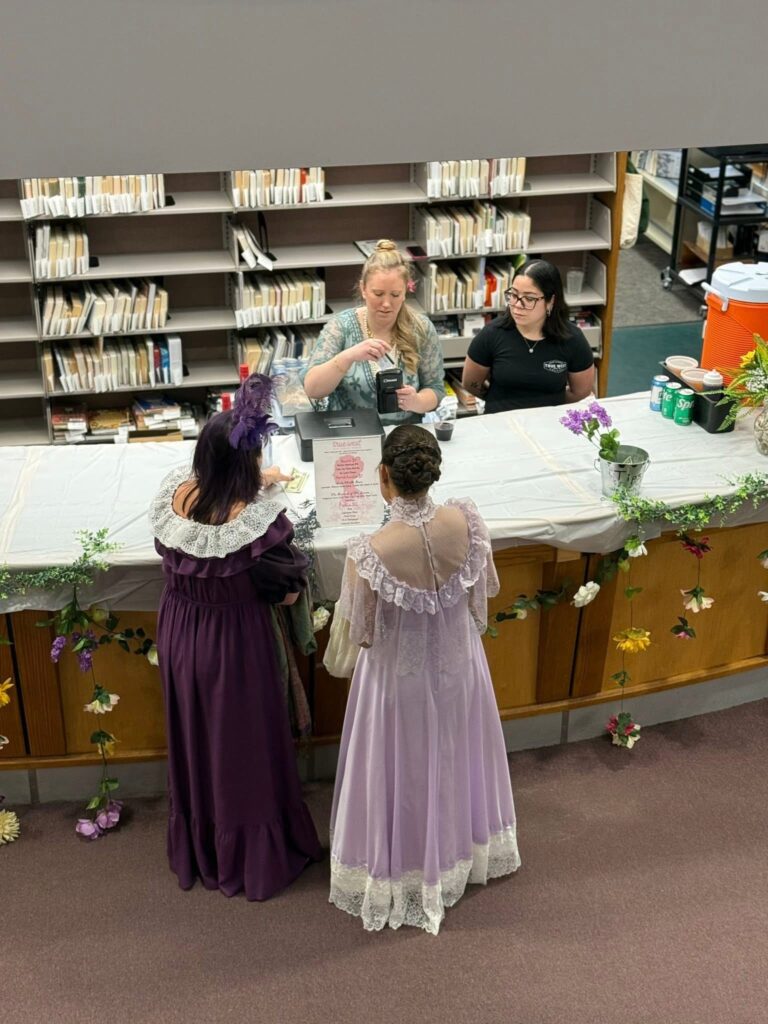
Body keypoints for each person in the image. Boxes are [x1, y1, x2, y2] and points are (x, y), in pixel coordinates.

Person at [326, 424, 520, 935]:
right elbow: (485, 594)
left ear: (383, 475)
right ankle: (460, 853)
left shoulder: (369, 551)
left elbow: (361, 637)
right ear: (434, 473)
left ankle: (406, 866)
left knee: (402, 772)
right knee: (456, 758)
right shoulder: (467, 521)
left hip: (399, 683)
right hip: (460, 668)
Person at [148, 374, 322, 900]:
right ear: (247, 464)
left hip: (181, 636)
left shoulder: (179, 497)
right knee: (242, 750)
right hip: (234, 647)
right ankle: (250, 856)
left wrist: (248, 478)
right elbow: (288, 594)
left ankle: (202, 845)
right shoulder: (258, 528)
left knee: (197, 742)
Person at [302, 239, 445, 422]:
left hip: (404, 436)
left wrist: (417, 401)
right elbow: (312, 389)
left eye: (395, 295)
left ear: (405, 292)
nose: (386, 304)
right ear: (363, 289)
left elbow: (435, 389)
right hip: (352, 436)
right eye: (378, 294)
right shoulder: (340, 326)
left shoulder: (421, 328)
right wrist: (348, 356)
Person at [461, 258, 595, 413]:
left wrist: (546, 405)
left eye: (529, 298)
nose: (518, 305)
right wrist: (496, 401)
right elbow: (470, 383)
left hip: (548, 424)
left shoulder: (573, 339)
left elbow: (580, 392)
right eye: (513, 295)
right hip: (501, 423)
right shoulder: (492, 333)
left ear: (551, 301)